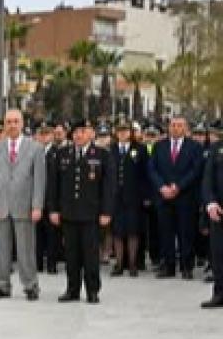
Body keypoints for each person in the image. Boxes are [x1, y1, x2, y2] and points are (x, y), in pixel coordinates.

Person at [48, 121, 115, 304]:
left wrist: (106, 211)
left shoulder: (102, 155)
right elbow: (54, 185)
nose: (78, 135)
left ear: (92, 134)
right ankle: (72, 288)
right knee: (71, 254)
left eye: (83, 131)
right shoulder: (63, 154)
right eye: (76, 132)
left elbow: (108, 187)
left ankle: (92, 290)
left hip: (91, 214)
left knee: (90, 255)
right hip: (69, 213)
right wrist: (53, 209)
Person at [0, 109, 47, 300]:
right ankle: (2, 285)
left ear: (22, 124)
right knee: (1, 249)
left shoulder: (35, 148)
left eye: (16, 121)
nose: (12, 125)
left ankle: (30, 285)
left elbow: (39, 180)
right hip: (1, 205)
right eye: (9, 121)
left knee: (25, 249)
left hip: (24, 205)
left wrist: (37, 205)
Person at [149, 117, 206, 279]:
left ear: (186, 128)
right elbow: (152, 169)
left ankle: (186, 266)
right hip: (164, 196)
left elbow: (196, 170)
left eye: (179, 125)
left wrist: (178, 186)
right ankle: (168, 266)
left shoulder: (194, 147)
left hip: (185, 197)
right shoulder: (159, 146)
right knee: (165, 231)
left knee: (185, 232)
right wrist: (162, 187)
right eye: (173, 125)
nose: (175, 128)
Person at [110, 121, 148, 277]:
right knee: (117, 232)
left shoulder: (139, 149)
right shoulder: (110, 150)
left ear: (131, 132)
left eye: (125, 131)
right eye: (120, 131)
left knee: (133, 230)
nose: (123, 134)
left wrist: (145, 196)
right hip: (115, 197)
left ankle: (132, 264)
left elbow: (145, 174)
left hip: (134, 196)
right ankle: (119, 264)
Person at [202, 125, 223, 308]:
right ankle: (219, 293)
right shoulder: (216, 148)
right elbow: (208, 179)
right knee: (218, 253)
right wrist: (210, 202)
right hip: (219, 211)